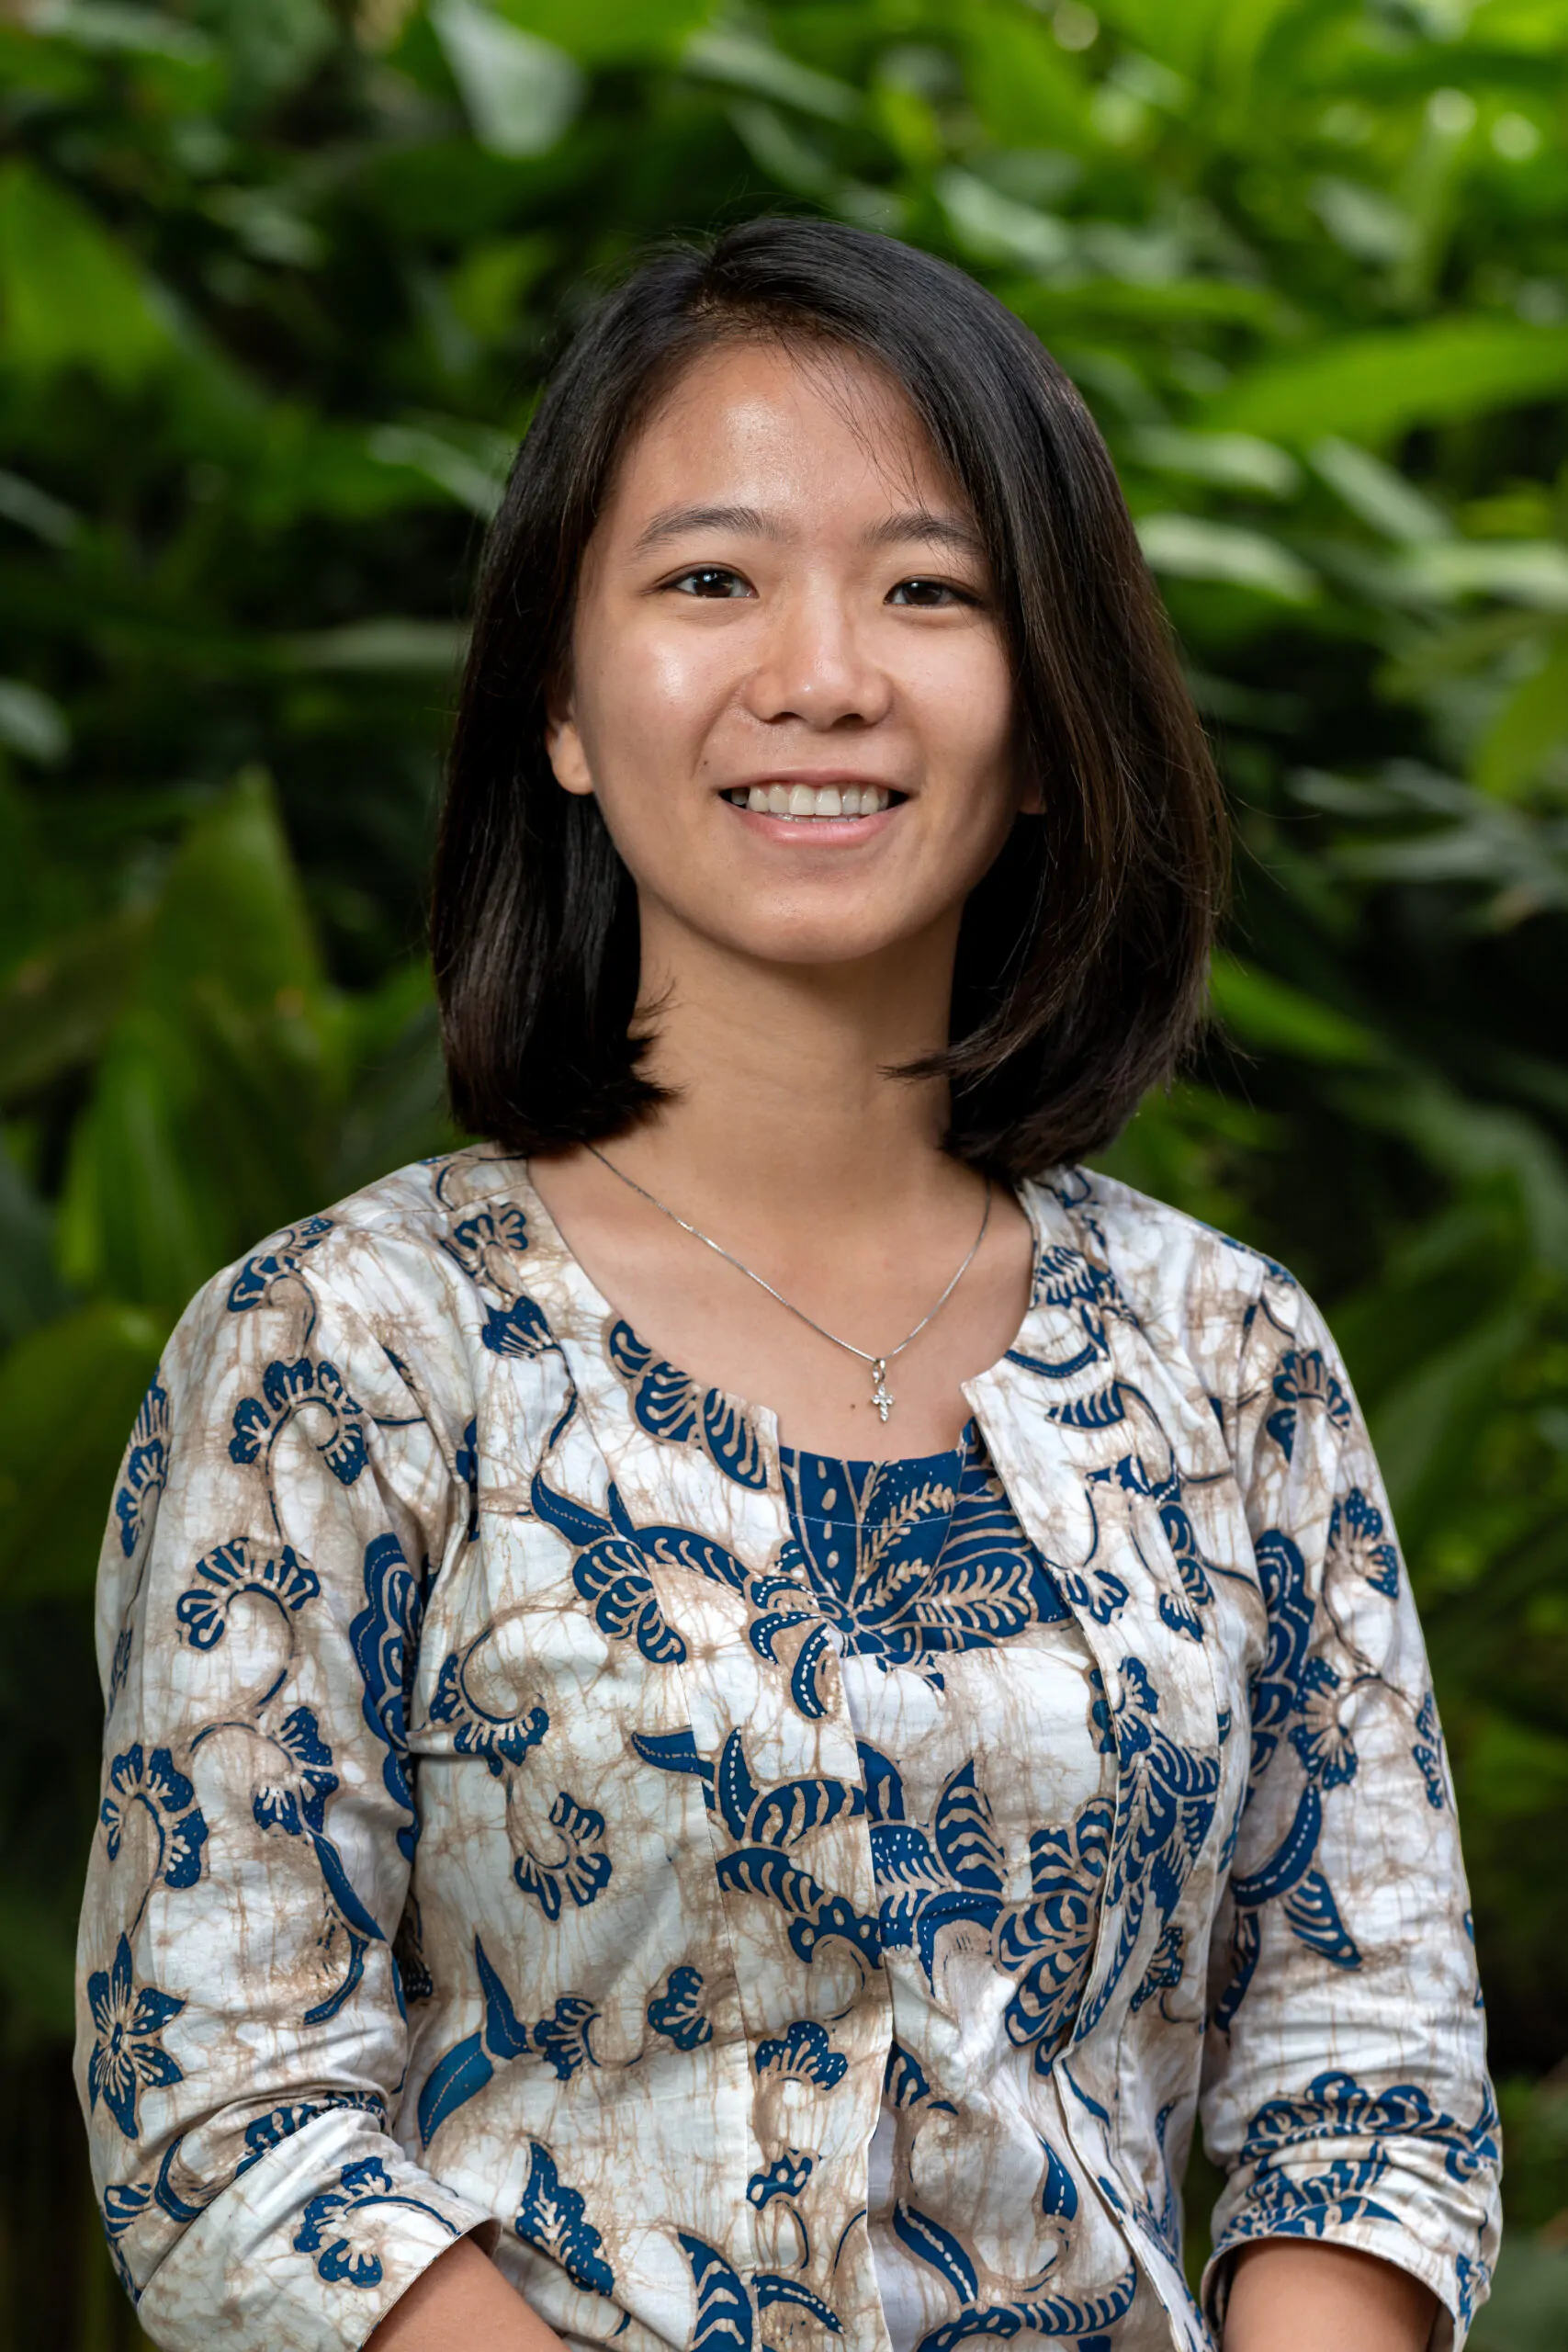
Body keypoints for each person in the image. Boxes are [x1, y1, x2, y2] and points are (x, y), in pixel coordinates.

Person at [74, 217, 1499, 2352]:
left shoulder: (1227, 1356)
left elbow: (1362, 2065)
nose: (822, 672)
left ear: (1044, 718)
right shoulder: (346, 1351)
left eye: (929, 589)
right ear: (562, 704)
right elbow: (228, 2109)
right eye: (710, 579)